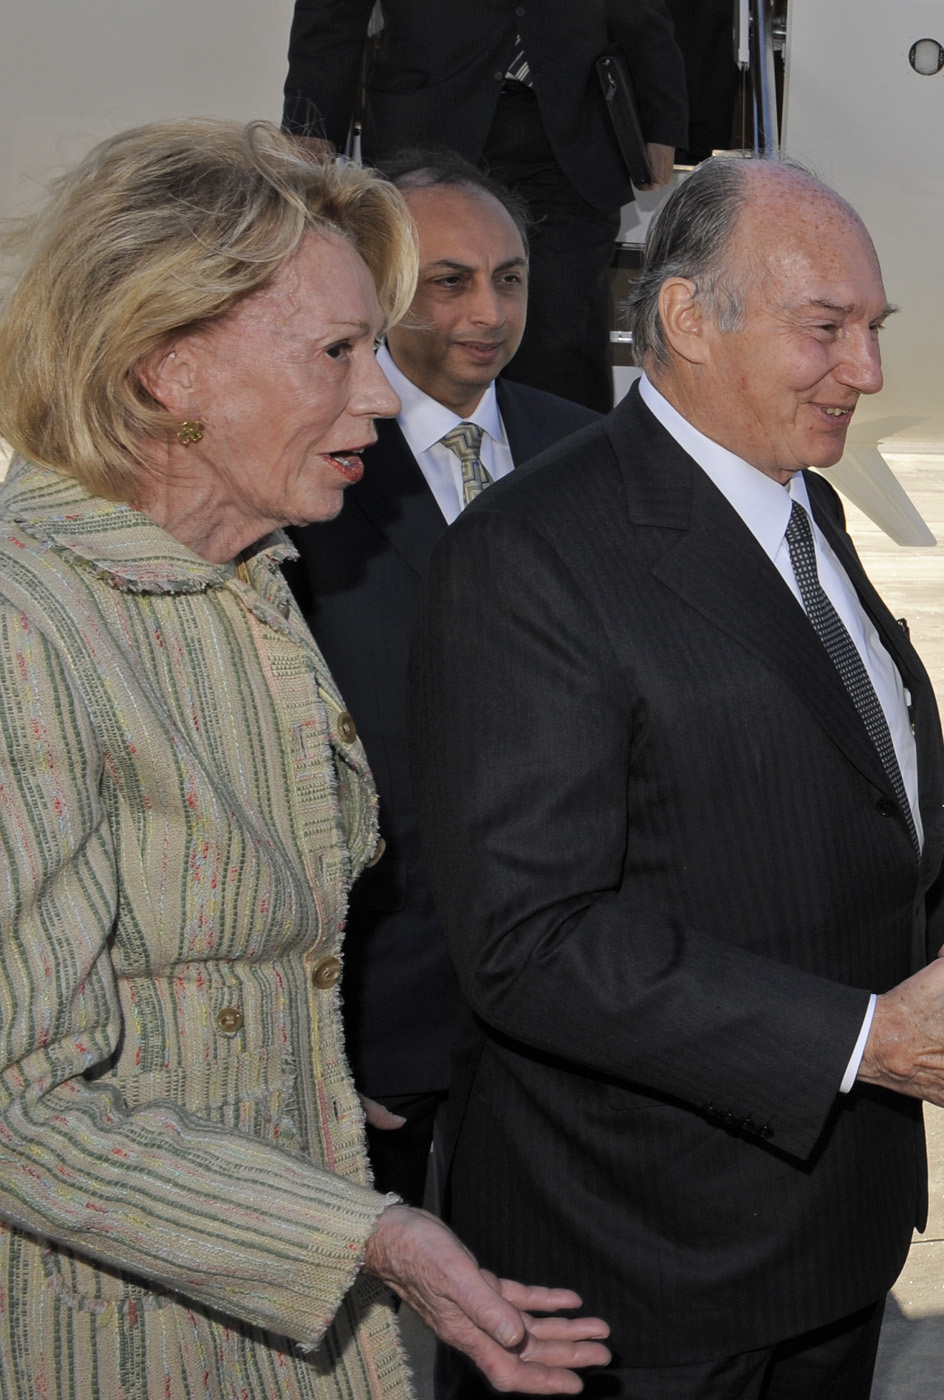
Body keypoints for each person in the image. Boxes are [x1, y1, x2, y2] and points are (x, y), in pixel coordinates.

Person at [409, 156, 944, 1399]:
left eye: (875, 330)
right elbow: (532, 937)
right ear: (686, 318)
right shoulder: (533, 555)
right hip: (643, 1276)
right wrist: (868, 1036)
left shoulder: (800, 509)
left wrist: (942, 895)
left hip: (826, 1238)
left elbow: (780, 774)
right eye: (825, 329)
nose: (869, 371)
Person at [0, 119, 609, 1398]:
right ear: (167, 367)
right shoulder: (25, 630)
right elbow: (19, 1106)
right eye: (337, 353)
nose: (383, 396)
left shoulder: (250, 587)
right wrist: (371, 1232)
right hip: (114, 1339)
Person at [286, 148, 599, 1210]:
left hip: (570, 998)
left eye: (509, 277)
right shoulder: (306, 466)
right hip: (383, 1004)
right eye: (449, 279)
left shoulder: (592, 453)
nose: (489, 309)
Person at [283, 0, 688, 412]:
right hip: (427, 120)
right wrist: (310, 124)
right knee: (422, 330)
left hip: (571, 136)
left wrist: (660, 121)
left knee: (565, 341)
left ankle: (569, 473)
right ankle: (419, 471)